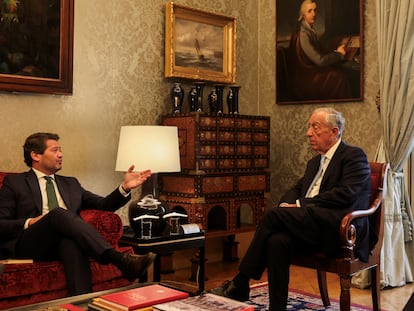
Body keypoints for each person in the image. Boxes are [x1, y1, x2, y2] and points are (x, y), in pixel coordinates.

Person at [210, 108, 371, 311]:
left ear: (334, 132)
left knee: (272, 216)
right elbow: (297, 189)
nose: (308, 133)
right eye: (309, 126)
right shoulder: (315, 163)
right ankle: (276, 307)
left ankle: (241, 282)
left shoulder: (353, 156)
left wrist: (298, 205)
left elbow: (346, 194)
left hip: (338, 228)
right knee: (277, 241)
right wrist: (284, 206)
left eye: (315, 127)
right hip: (310, 225)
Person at [0, 132, 156, 296]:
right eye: (55, 150)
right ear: (35, 155)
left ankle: (81, 303)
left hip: (62, 243)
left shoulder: (70, 183)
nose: (61, 154)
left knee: (71, 242)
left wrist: (125, 187)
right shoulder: (15, 183)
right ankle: (118, 259)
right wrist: (30, 222)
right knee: (58, 213)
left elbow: (103, 205)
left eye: (61, 150)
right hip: (30, 244)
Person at [287, 0, 354, 100]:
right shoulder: (303, 34)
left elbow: (317, 50)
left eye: (315, 10)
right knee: (340, 77)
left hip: (310, 73)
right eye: (309, 11)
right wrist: (338, 54)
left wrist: (335, 48)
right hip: (306, 79)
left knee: (340, 71)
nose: (314, 14)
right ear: (303, 14)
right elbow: (320, 60)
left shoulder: (308, 29)